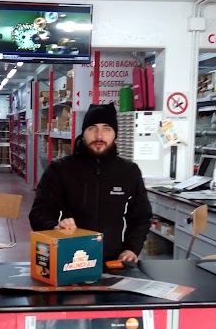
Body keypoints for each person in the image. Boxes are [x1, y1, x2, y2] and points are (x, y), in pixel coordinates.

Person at [29, 102, 152, 263]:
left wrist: (132, 248)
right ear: (83, 132)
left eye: (106, 128)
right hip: (69, 259)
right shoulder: (59, 169)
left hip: (112, 261)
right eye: (92, 128)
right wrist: (55, 227)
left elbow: (141, 217)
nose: (99, 136)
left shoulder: (129, 171)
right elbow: (38, 214)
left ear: (115, 134)